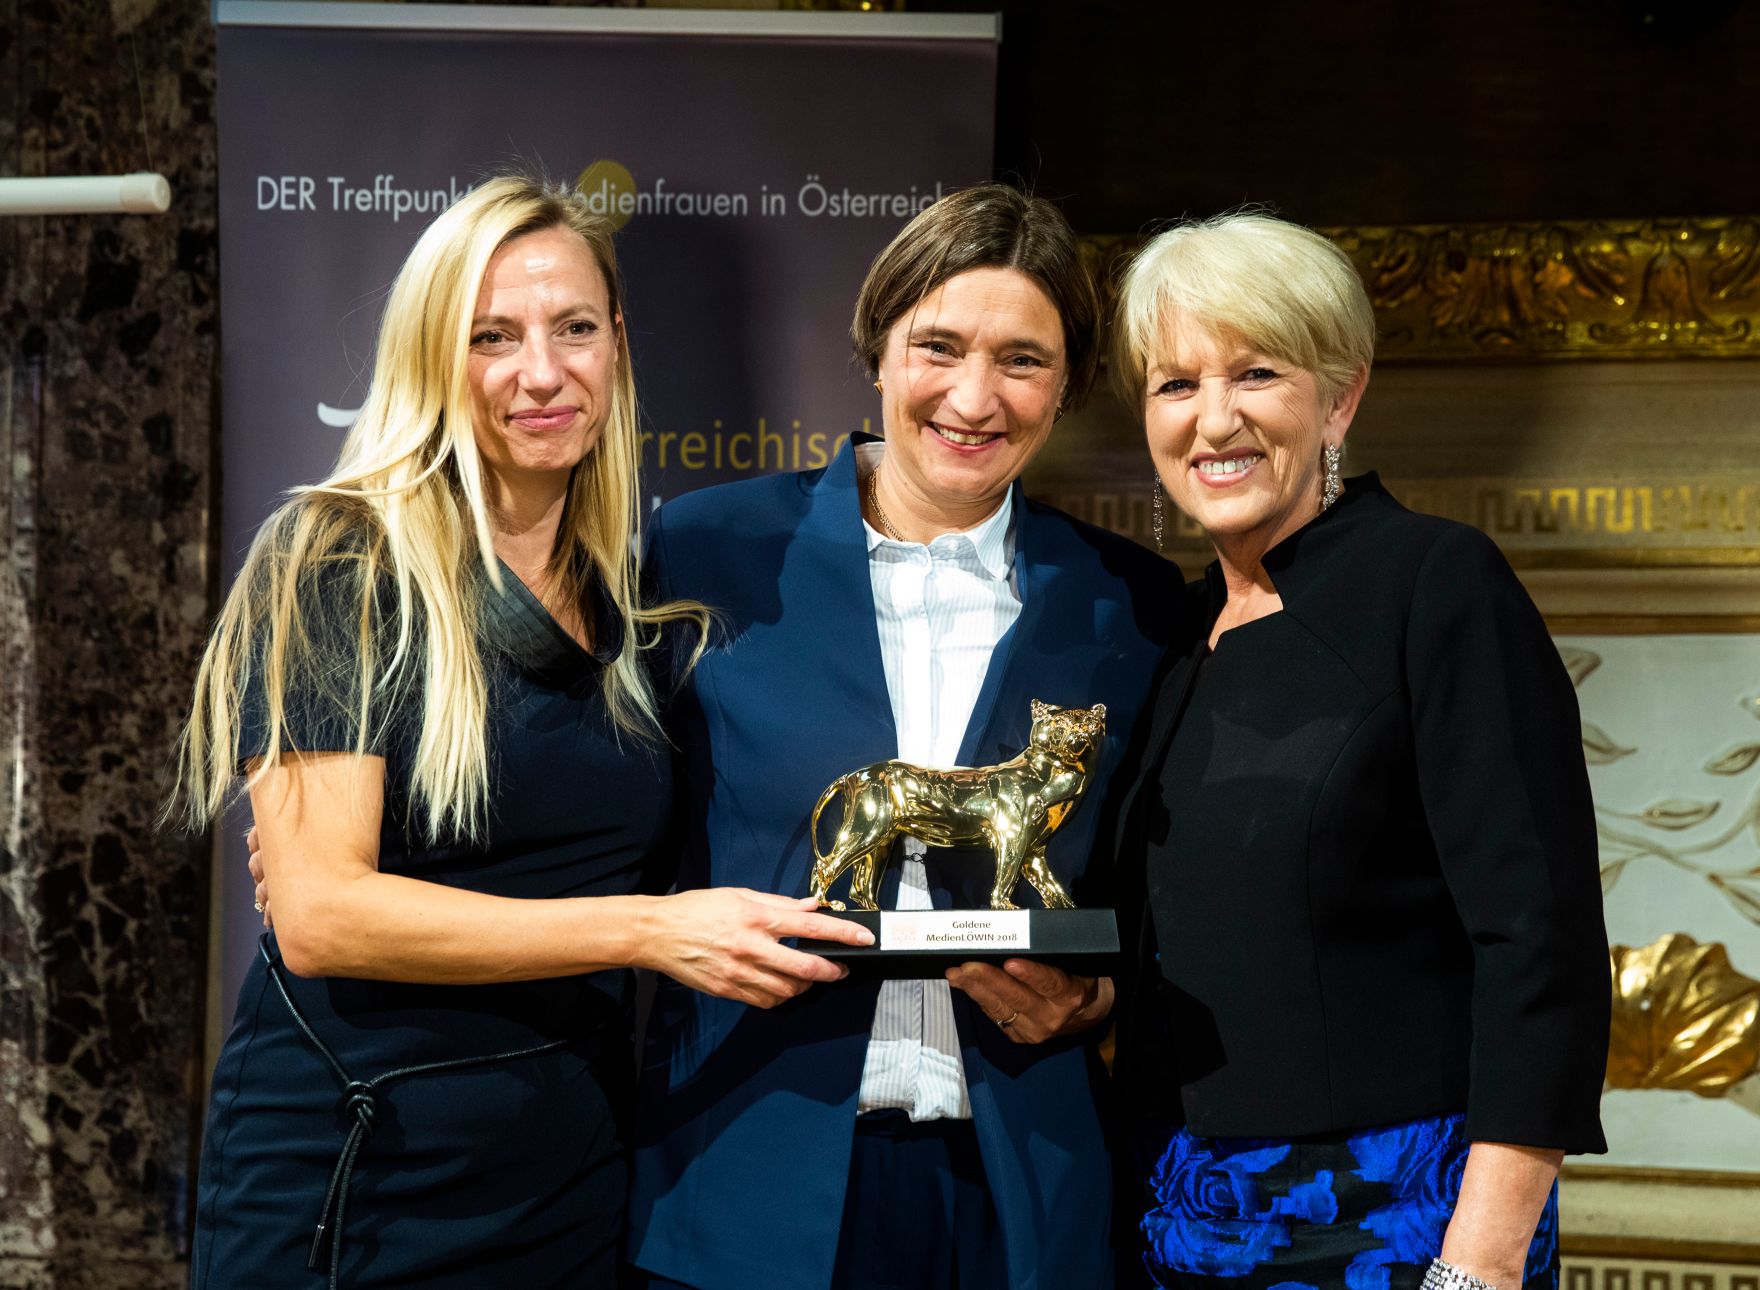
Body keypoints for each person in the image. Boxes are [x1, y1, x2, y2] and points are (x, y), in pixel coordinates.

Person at [181, 176, 869, 1289]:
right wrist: (645, 932)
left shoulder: (634, 608)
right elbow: (319, 915)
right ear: (430, 357)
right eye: (491, 336)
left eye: (574, 329)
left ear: (616, 346)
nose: (541, 373)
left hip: (567, 1172)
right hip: (361, 1167)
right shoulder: (341, 559)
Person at [628, 184, 1186, 1290]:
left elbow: (1171, 896)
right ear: (875, 352)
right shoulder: (704, 555)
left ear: (1067, 384)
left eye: (1021, 360)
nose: (973, 397)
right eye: (937, 345)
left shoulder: (1131, 606)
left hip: (1020, 1194)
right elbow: (610, 839)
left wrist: (1103, 999)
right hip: (742, 1182)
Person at [1106, 212, 1611, 1290]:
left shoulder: (1435, 585)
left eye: (1255, 374)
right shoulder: (1172, 635)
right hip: (1174, 1222)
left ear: (1338, 398)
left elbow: (1539, 945)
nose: (1213, 419)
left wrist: (1477, 1265)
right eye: (1174, 384)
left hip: (1395, 1221)